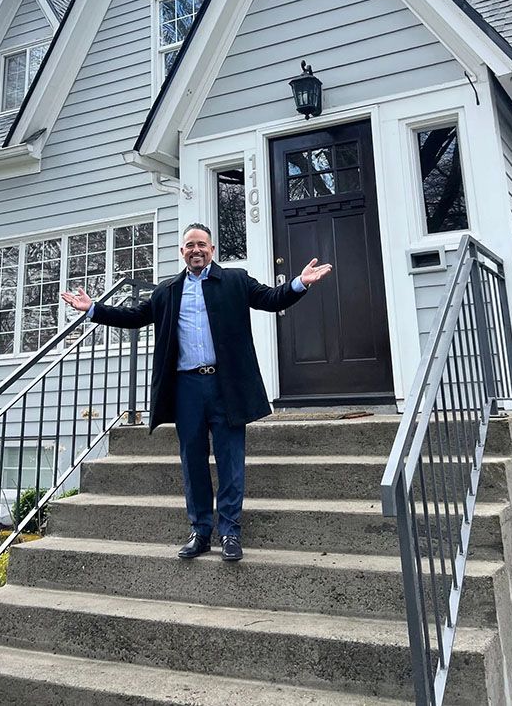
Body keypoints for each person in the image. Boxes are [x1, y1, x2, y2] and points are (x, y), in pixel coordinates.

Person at [62, 223, 331, 562]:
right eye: (189, 245)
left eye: (202, 244)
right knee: (192, 462)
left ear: (212, 250)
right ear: (182, 252)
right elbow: (135, 316)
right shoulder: (168, 290)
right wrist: (93, 309)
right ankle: (201, 532)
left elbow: (269, 298)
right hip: (187, 386)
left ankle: (230, 532)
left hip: (225, 384)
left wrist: (298, 283)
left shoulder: (234, 280)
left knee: (230, 459)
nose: (196, 250)